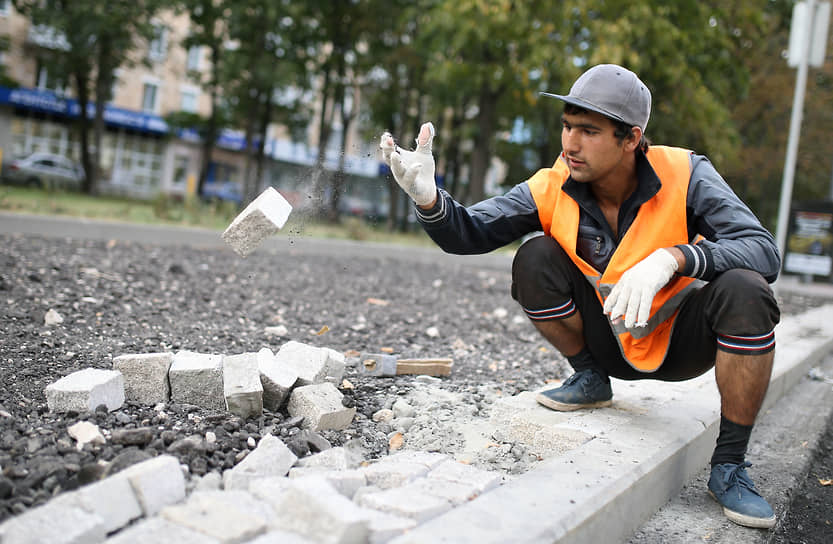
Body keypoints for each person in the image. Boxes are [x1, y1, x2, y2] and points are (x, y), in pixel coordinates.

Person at [379, 64, 781, 529]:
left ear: (631, 139)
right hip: (606, 341)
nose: (570, 143)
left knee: (747, 289)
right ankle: (590, 379)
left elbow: (763, 251)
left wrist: (674, 259)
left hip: (681, 343)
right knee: (535, 257)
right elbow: (468, 233)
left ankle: (730, 466)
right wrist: (430, 199)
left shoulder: (686, 172)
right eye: (568, 126)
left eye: (589, 131)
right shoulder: (551, 186)